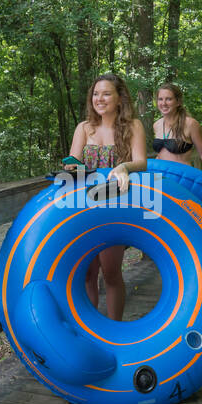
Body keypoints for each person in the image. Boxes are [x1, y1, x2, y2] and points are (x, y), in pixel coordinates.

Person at [64, 74, 148, 321]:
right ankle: (91, 329)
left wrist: (125, 167)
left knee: (110, 273)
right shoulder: (83, 128)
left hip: (114, 206)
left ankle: (114, 330)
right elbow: (74, 164)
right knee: (87, 274)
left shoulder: (134, 126)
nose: (99, 99)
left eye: (106, 93)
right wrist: (71, 168)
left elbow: (142, 161)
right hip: (84, 207)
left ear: (120, 98)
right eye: (95, 94)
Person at [152, 82, 202, 182]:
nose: (164, 103)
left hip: (181, 178)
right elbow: (162, 153)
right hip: (160, 178)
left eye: (169, 99)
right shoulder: (156, 125)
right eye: (160, 99)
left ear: (178, 102)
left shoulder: (191, 124)